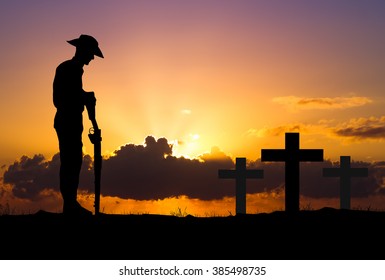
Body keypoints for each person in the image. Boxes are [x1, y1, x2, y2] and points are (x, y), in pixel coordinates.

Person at [53, 34, 104, 216]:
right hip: (68, 120)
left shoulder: (72, 69)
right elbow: (62, 99)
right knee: (70, 161)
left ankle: (70, 204)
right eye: (91, 53)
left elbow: (72, 93)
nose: (92, 58)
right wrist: (84, 97)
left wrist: (84, 96)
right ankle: (70, 205)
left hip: (71, 121)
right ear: (84, 50)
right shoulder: (71, 69)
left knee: (72, 161)